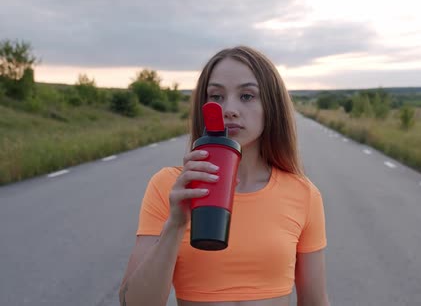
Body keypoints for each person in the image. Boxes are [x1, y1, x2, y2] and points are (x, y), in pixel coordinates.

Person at [118, 46, 330, 306]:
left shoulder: (303, 194)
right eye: (216, 96)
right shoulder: (170, 187)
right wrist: (175, 224)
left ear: (271, 106)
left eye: (247, 96)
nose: (229, 109)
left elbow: (315, 302)